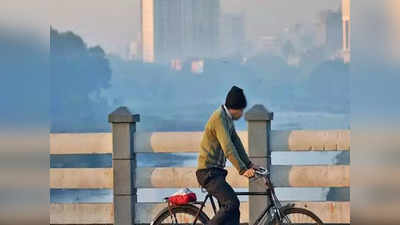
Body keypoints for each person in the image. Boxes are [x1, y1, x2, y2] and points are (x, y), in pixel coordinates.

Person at [196, 85, 261, 225]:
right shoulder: (219, 118)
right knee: (231, 203)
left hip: (216, 173)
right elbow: (228, 147)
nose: (242, 114)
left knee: (233, 212)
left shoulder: (227, 119)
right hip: (208, 173)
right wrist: (242, 169)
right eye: (242, 110)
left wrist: (249, 164)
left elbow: (236, 143)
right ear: (235, 108)